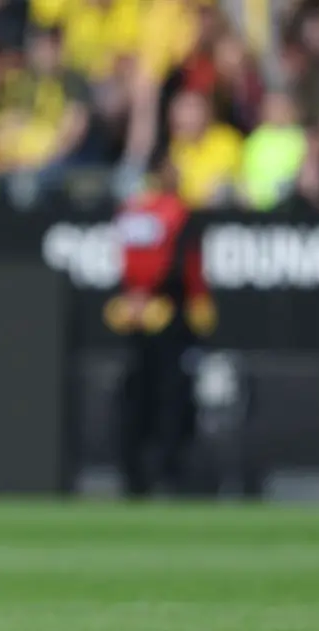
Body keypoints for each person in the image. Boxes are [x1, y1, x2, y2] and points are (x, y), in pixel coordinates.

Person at [104, 156, 217, 497]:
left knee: (135, 394)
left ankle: (132, 475)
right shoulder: (176, 213)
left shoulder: (130, 212)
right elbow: (183, 263)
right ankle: (168, 474)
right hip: (167, 312)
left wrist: (134, 297)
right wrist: (192, 298)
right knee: (170, 396)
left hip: (134, 313)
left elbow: (124, 261)